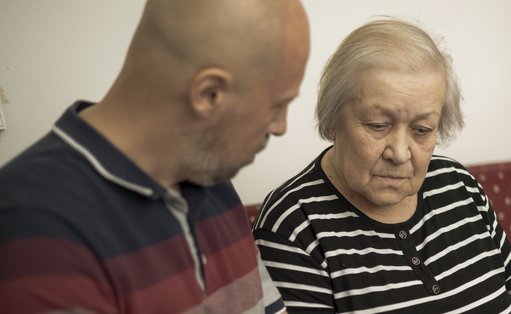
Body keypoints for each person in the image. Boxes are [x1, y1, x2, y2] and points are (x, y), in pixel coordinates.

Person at [0, 0, 309, 313]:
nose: (280, 127)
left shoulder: (211, 177)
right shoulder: (31, 227)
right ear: (209, 94)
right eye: (276, 106)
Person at [252, 18, 511, 313]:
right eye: (378, 125)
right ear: (333, 120)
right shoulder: (293, 225)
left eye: (422, 130)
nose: (399, 153)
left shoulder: (459, 184)